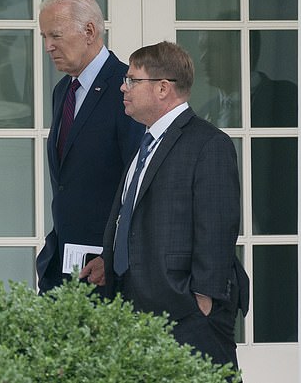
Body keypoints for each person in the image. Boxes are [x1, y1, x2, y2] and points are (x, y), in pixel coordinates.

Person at [81, 41, 249, 369]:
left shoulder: (209, 144)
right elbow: (136, 218)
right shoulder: (146, 142)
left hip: (186, 314)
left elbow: (217, 227)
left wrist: (202, 300)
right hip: (136, 306)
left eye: (132, 80)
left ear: (162, 88)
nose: (122, 87)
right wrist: (110, 259)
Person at [36, 0, 144, 293]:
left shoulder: (127, 88)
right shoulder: (62, 91)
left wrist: (111, 257)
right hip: (63, 267)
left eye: (55, 35)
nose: (48, 46)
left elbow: (136, 185)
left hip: (106, 272)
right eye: (44, 37)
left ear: (89, 31)